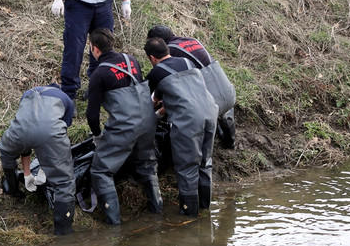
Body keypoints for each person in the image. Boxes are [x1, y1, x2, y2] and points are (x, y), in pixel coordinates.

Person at [86, 28, 161, 224]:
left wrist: (97, 136)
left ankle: (114, 225)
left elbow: (91, 114)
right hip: (148, 120)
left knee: (101, 171)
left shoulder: (99, 73)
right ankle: (158, 211)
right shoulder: (131, 60)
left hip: (125, 127)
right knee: (147, 164)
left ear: (95, 49)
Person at [144, 38, 218, 216]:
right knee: (205, 163)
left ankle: (190, 218)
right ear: (167, 50)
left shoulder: (156, 73)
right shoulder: (187, 61)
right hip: (210, 111)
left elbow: (148, 102)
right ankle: (205, 210)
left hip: (189, 120)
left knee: (187, 167)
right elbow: (182, 91)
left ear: (152, 58)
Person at [0, 84, 76, 235]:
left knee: (6, 153)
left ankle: (14, 190)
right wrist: (45, 169)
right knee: (64, 182)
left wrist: (27, 174)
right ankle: (64, 234)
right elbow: (56, 135)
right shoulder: (66, 100)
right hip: (49, 133)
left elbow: (25, 143)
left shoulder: (28, 93)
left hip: (18, 131)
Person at [147, 25, 237, 149]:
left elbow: (172, 87)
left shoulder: (170, 52)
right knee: (223, 107)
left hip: (210, 103)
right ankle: (230, 142)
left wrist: (157, 111)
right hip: (229, 93)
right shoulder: (192, 40)